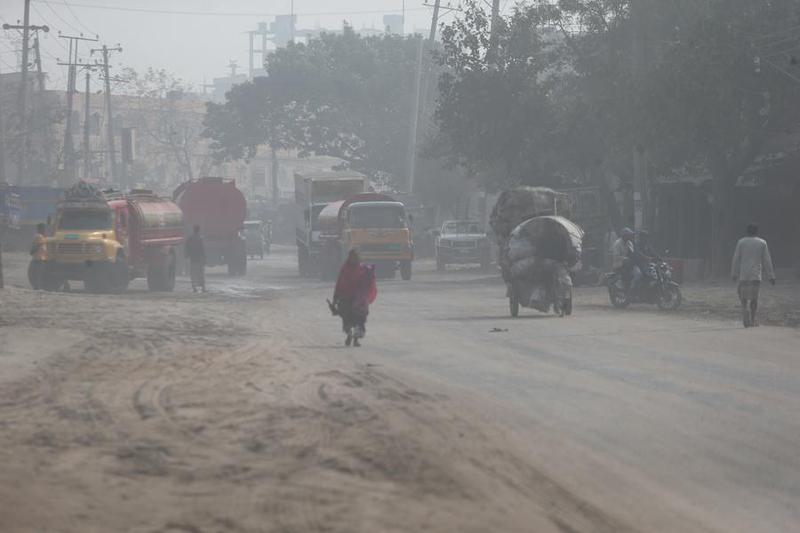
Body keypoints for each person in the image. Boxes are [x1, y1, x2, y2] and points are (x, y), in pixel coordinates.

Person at [731, 223, 775, 328]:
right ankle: (753, 319)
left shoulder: (741, 242)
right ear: (756, 232)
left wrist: (734, 273)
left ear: (747, 231)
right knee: (754, 298)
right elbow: (767, 260)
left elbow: (736, 258)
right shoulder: (762, 242)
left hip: (744, 274)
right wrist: (771, 276)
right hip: (756, 275)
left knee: (743, 296)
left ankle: (745, 310)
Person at [333, 249, 377, 347]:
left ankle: (355, 340)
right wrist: (335, 298)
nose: (355, 259)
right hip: (346, 298)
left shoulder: (364, 269)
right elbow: (340, 283)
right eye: (353, 257)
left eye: (356, 257)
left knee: (359, 320)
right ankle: (349, 336)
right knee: (347, 320)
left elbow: (369, 284)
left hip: (359, 300)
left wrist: (367, 297)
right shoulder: (345, 269)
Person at [184, 224, 206, 293]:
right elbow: (202, 249)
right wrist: (204, 258)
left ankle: (194, 288)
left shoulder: (189, 239)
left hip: (192, 258)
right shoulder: (200, 239)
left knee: (193, 273)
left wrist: (187, 255)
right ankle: (203, 288)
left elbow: (186, 247)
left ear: (193, 230)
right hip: (199, 259)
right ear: (199, 230)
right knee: (201, 273)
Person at [28, 223, 48, 290]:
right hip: (39, 259)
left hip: (39, 258)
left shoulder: (41, 236)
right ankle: (37, 287)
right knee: (38, 274)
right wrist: (32, 251)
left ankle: (37, 286)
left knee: (37, 274)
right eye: (43, 228)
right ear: (40, 229)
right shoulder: (39, 236)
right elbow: (37, 245)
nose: (44, 229)